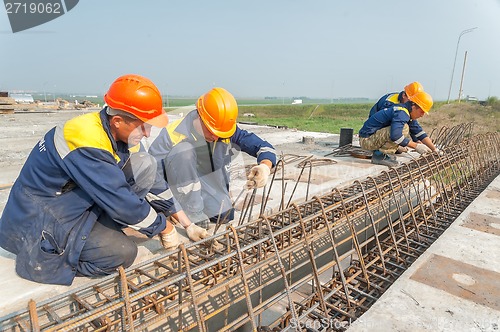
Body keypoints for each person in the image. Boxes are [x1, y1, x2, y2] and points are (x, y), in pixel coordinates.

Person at [0, 74, 207, 286]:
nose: (147, 134)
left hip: (72, 198)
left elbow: (154, 183)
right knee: (122, 253)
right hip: (40, 214)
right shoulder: (86, 140)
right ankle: (54, 259)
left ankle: (100, 229)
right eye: (143, 126)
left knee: (145, 163)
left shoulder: (120, 133)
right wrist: (164, 228)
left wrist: (187, 223)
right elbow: (121, 201)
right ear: (117, 121)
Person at [148, 87, 277, 228]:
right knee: (184, 151)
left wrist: (265, 166)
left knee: (224, 215)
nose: (216, 136)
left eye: (220, 133)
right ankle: (190, 209)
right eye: (211, 130)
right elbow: (151, 174)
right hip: (177, 187)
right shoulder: (173, 133)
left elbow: (263, 146)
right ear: (200, 116)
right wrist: (173, 209)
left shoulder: (224, 131)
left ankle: (197, 204)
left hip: (205, 184)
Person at [358, 90, 438, 167]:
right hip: (366, 140)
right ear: (414, 106)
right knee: (404, 128)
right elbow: (395, 136)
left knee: (403, 132)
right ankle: (380, 156)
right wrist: (416, 146)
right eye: (421, 111)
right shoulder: (401, 113)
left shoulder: (406, 112)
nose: (422, 115)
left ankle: (384, 153)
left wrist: (435, 150)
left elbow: (419, 133)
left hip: (372, 138)